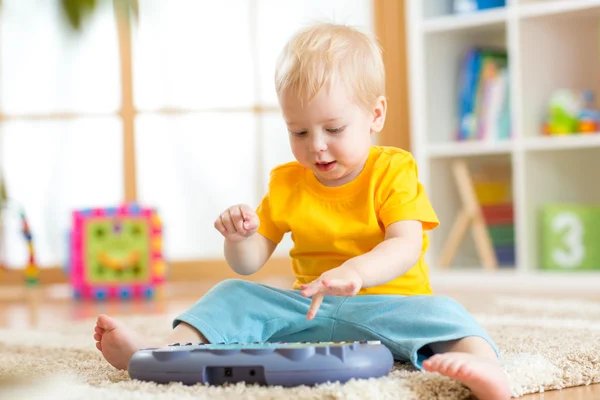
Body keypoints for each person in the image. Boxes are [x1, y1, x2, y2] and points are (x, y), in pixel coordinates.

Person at [93, 22, 510, 400]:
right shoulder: (286, 181)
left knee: (444, 312)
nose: (317, 146)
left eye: (334, 129)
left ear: (375, 115)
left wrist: (356, 273)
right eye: (299, 131)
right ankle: (162, 357)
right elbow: (249, 263)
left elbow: (405, 244)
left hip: (389, 305)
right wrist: (239, 239)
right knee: (231, 295)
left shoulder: (393, 169)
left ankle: (484, 370)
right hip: (308, 308)